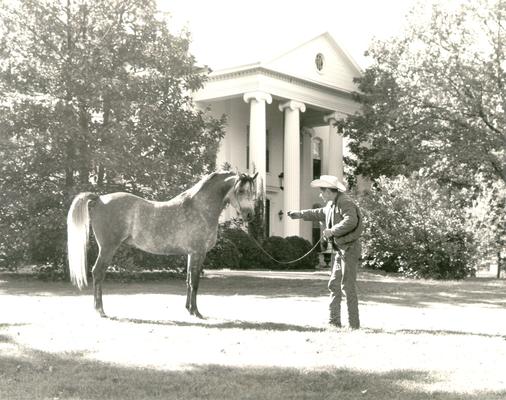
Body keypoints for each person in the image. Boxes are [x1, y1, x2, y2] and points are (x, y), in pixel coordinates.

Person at [287, 175, 363, 329]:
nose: (320, 195)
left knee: (347, 286)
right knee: (334, 284)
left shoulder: (344, 201)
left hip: (349, 249)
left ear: (329, 191)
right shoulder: (331, 205)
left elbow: (351, 221)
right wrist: (299, 214)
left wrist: (332, 231)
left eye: (322, 192)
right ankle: (334, 322)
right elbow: (317, 213)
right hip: (340, 249)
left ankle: (354, 325)